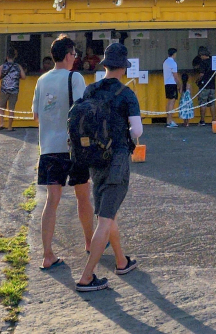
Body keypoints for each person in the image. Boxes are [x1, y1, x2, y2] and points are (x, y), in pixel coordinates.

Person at [74, 42, 142, 293]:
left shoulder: (90, 90)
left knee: (106, 211)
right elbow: (137, 131)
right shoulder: (127, 94)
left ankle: (121, 261)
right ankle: (86, 276)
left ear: (104, 65)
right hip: (117, 159)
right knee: (105, 218)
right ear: (123, 68)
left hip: (94, 159)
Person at [32, 35, 95, 270]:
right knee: (82, 197)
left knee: (51, 201)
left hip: (48, 148)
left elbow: (36, 115)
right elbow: (83, 111)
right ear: (69, 55)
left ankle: (47, 254)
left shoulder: (41, 80)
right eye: (75, 55)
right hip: (73, 148)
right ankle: (90, 243)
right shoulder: (75, 77)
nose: (75, 59)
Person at [0, 48, 24, 130]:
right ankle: (10, 126)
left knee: (1, 108)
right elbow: (24, 77)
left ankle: (1, 123)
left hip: (4, 90)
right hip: (14, 91)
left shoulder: (2, 66)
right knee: (11, 109)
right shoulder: (18, 66)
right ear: (15, 57)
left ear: (7, 57)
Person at [192, 46, 216, 125]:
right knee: (212, 103)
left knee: (203, 103)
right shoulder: (213, 61)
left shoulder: (203, 63)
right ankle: (214, 119)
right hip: (212, 85)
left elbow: (201, 74)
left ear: (203, 55)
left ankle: (202, 120)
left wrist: (197, 80)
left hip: (204, 85)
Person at [162, 47, 181, 128]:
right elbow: (175, 75)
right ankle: (170, 121)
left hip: (166, 83)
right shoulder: (173, 63)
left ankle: (168, 120)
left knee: (169, 101)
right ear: (174, 54)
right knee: (172, 102)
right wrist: (179, 85)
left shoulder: (165, 62)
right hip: (172, 83)